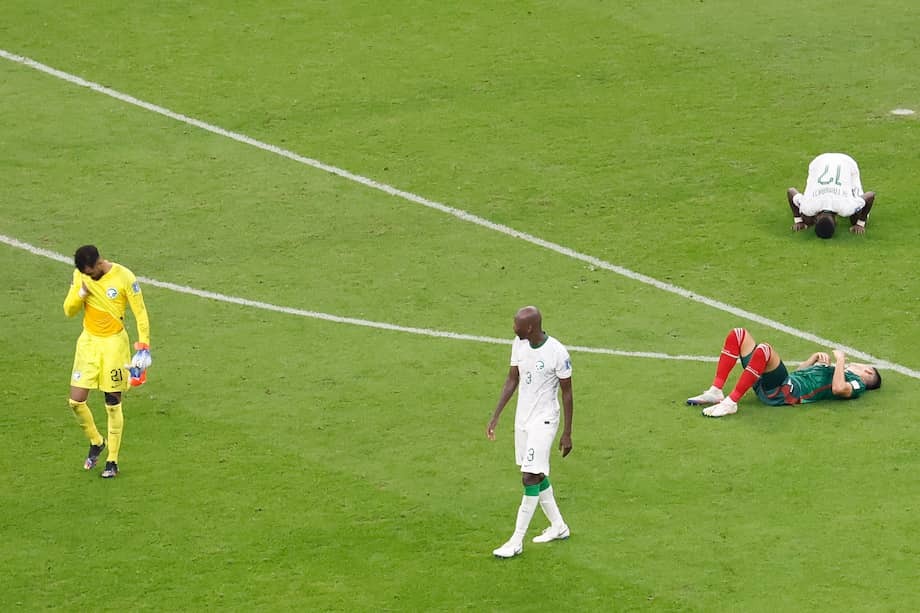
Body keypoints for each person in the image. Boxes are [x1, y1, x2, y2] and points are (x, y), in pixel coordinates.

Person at [487, 306, 574, 558]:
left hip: (544, 421)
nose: (513, 328)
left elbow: (567, 394)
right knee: (536, 473)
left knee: (529, 477)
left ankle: (516, 541)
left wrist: (567, 433)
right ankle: (558, 526)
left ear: (530, 327)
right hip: (523, 419)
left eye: (516, 324)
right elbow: (512, 379)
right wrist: (496, 415)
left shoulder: (557, 352)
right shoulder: (519, 344)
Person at [63, 245, 152, 478]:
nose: (89, 276)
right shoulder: (81, 276)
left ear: (99, 262)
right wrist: (81, 294)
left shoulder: (124, 277)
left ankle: (112, 460)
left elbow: (140, 313)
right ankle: (96, 441)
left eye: (91, 272)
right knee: (75, 401)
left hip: (114, 345)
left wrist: (144, 347)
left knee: (112, 403)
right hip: (88, 344)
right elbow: (68, 310)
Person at [687, 327, 881, 417]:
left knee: (765, 350)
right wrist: (813, 359)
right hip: (783, 382)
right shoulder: (835, 371)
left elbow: (839, 388)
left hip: (785, 392)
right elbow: (798, 373)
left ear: (867, 371)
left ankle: (731, 403)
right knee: (738, 335)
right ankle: (716, 391)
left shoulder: (858, 383)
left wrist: (840, 360)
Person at [786, 152, 876, 238]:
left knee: (855, 219)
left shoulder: (846, 208)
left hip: (847, 164)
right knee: (807, 218)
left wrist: (860, 223)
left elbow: (870, 195)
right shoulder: (808, 207)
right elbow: (791, 191)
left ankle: (858, 215)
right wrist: (798, 220)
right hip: (818, 163)